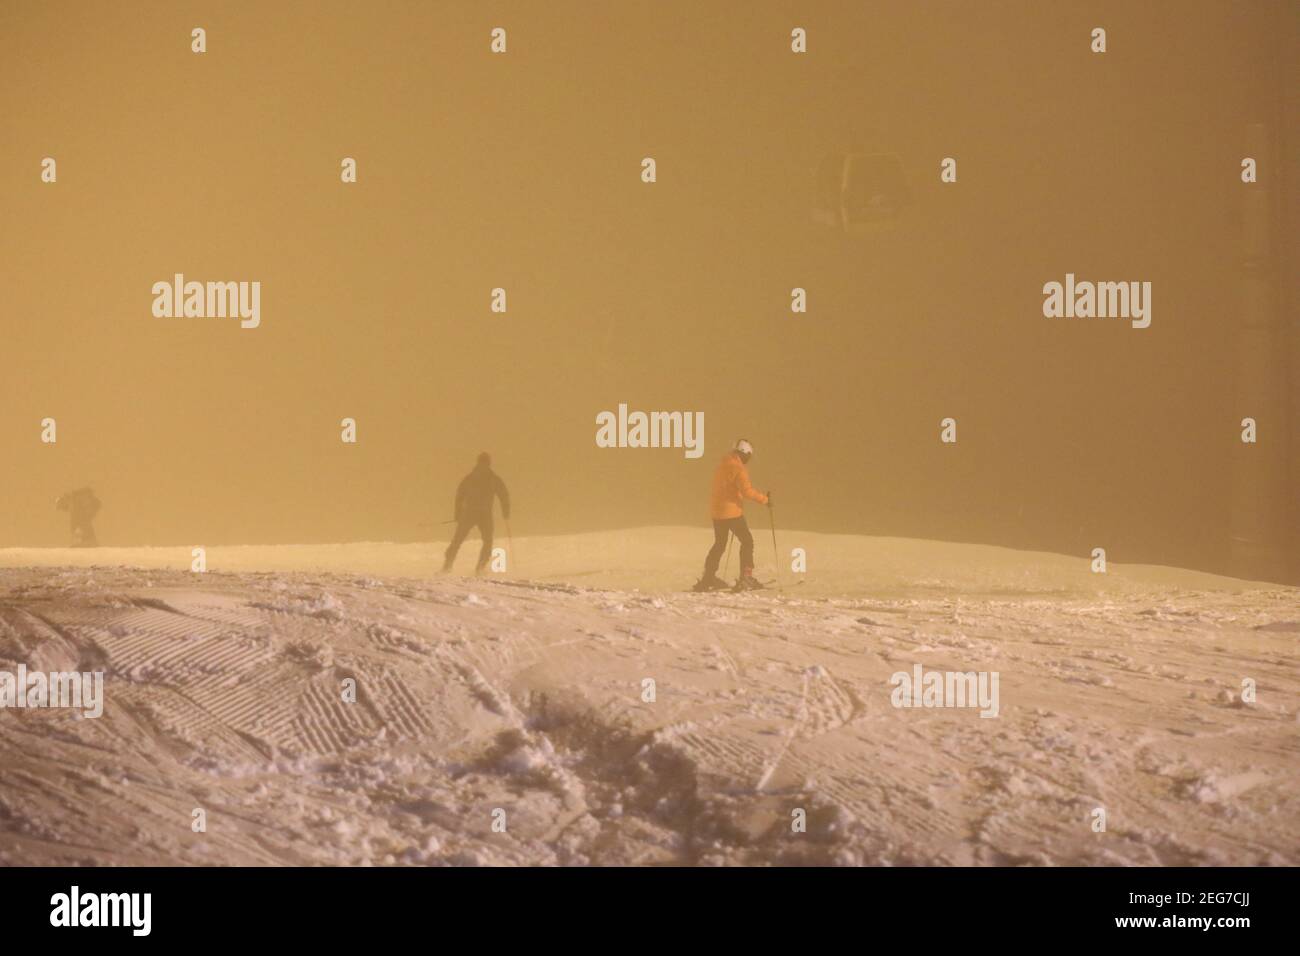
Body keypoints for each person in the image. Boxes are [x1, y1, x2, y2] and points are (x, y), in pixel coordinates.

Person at [694, 439, 770, 591]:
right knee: (747, 541)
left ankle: (708, 577)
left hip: (717, 512)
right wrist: (765, 500)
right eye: (748, 456)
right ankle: (746, 578)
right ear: (745, 454)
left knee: (719, 544)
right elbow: (746, 491)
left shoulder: (722, 465)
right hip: (732, 512)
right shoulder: (738, 469)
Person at [443, 453, 510, 573]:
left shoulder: (482, 478)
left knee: (486, 541)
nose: (483, 465)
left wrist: (506, 511)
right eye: (482, 463)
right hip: (472, 514)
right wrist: (457, 513)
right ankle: (448, 565)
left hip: (480, 515)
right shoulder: (479, 478)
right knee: (458, 540)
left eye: (485, 463)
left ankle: (479, 567)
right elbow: (460, 495)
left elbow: (503, 495)